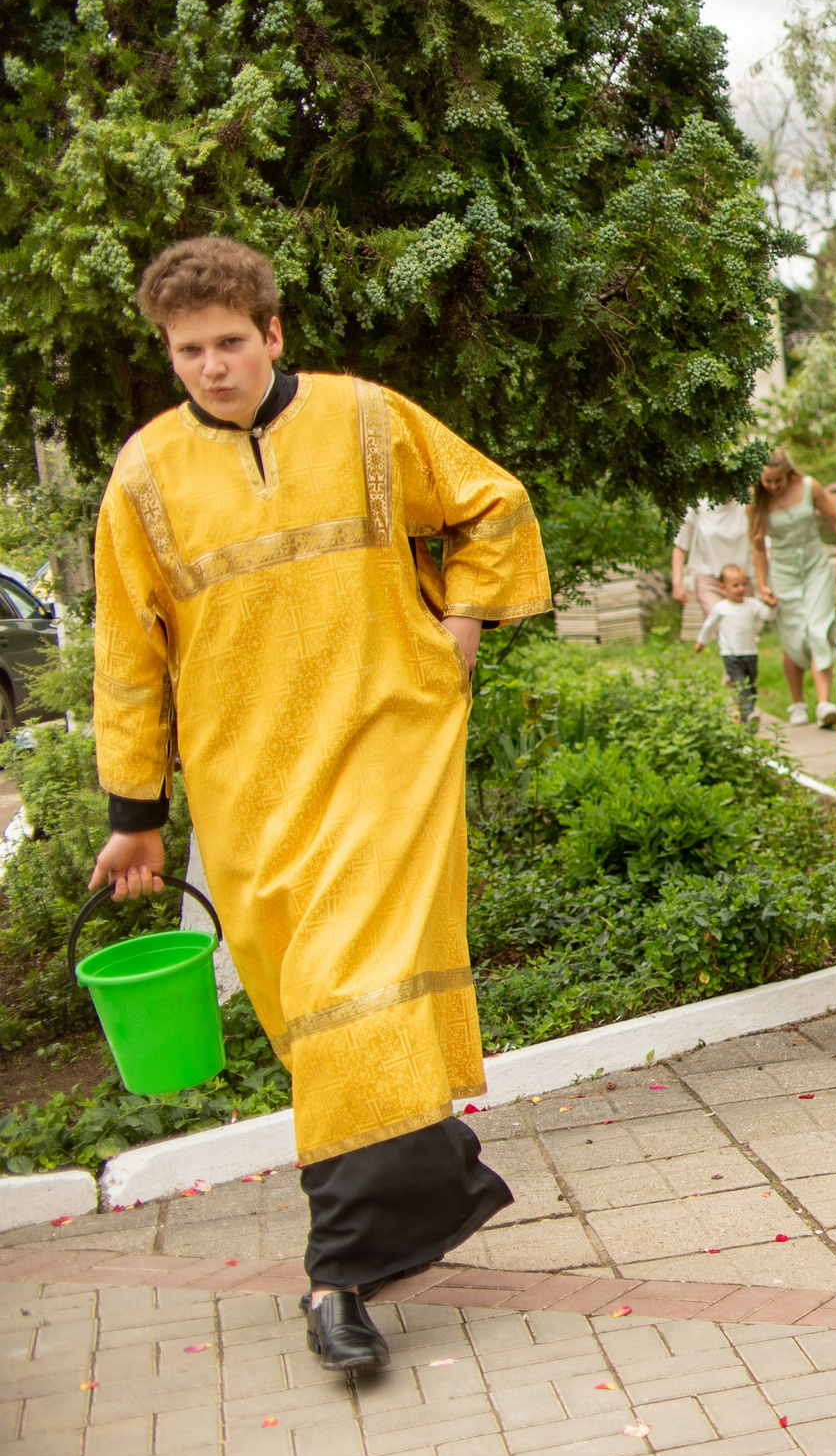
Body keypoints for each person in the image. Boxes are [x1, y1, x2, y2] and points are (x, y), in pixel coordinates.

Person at [88, 236, 548, 1373]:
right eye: (188, 350)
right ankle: (433, 1181)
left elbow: (492, 503)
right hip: (249, 793)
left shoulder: (364, 416)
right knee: (329, 1017)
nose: (211, 366)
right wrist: (134, 811)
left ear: (273, 332)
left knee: (359, 988)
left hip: (388, 749)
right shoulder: (143, 477)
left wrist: (462, 622)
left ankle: (337, 1274)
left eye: (230, 342)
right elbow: (125, 655)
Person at [750, 446, 836, 728]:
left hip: (815, 568)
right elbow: (756, 546)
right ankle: (798, 704)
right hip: (783, 574)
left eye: (778, 480)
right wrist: (763, 584)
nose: (774, 486)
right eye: (768, 481)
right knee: (793, 638)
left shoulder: (809, 486)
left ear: (788, 473)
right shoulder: (756, 501)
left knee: (819, 628)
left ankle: (825, 703)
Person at [694, 564, 770, 722]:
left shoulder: (752, 604)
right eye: (735, 585)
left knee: (751, 685)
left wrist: (772, 604)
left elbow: (768, 616)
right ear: (723, 588)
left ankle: (747, 715)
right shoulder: (721, 607)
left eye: (744, 584)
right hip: (730, 654)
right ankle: (748, 713)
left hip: (750, 652)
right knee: (739, 684)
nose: (740, 588)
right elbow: (709, 625)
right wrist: (701, 641)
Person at [670, 496, 751, 642]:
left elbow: (762, 542)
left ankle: (743, 662)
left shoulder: (746, 506)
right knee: (725, 627)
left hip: (740, 580)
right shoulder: (697, 508)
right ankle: (732, 664)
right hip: (709, 579)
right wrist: (677, 583)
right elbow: (680, 546)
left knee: (742, 627)